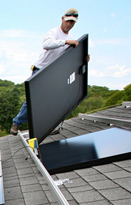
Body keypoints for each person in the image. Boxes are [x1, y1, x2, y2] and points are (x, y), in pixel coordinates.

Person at [11, 7, 83, 135]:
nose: (68, 24)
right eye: (67, 21)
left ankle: (48, 126)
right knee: (32, 100)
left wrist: (83, 58)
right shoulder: (53, 32)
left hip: (53, 74)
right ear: (62, 19)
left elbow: (70, 58)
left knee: (53, 100)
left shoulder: (71, 38)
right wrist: (66, 42)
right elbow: (47, 44)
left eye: (72, 22)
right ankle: (16, 123)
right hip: (40, 69)